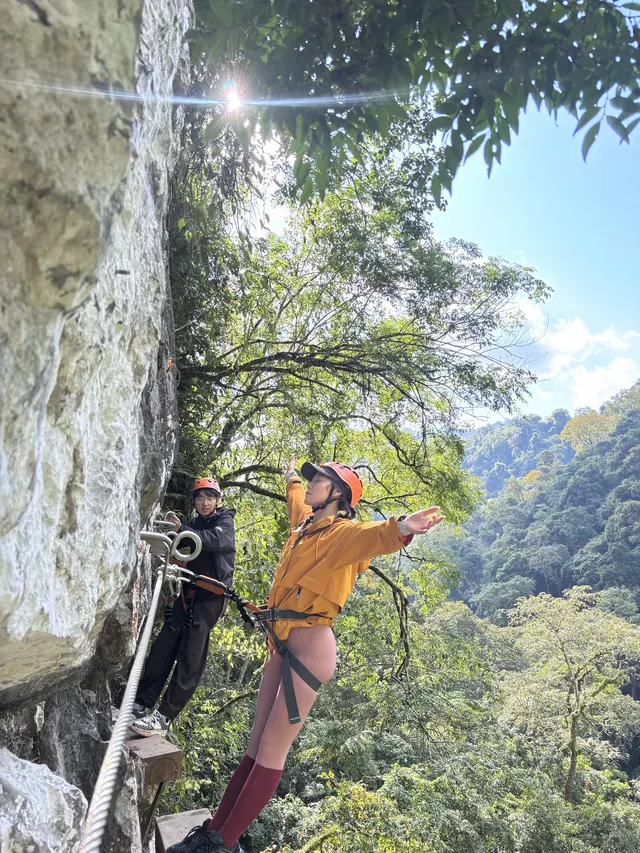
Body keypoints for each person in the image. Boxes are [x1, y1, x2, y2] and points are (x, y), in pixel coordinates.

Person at [167, 459, 443, 852]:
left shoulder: (343, 534)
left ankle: (220, 844)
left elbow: (373, 536)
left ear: (337, 496)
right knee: (255, 745)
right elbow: (296, 502)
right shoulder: (305, 527)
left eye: (321, 481)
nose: (313, 485)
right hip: (282, 642)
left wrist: (401, 528)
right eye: (312, 480)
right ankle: (215, 831)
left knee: (271, 750)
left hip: (310, 650)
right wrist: (291, 478)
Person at [130, 477, 236, 737]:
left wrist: (183, 530)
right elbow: (182, 546)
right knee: (163, 647)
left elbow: (211, 540)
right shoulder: (196, 525)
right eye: (200, 498)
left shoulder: (224, 522)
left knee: (190, 657)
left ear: (217, 500)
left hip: (210, 599)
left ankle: (164, 717)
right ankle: (141, 703)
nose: (204, 502)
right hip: (187, 594)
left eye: (209, 497)